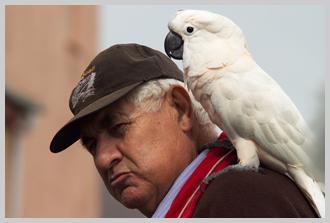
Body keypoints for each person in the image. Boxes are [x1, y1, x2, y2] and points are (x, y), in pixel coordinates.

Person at [50, 43, 317, 217]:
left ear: (180, 109)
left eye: (119, 127)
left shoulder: (239, 197)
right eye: (92, 144)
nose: (103, 158)